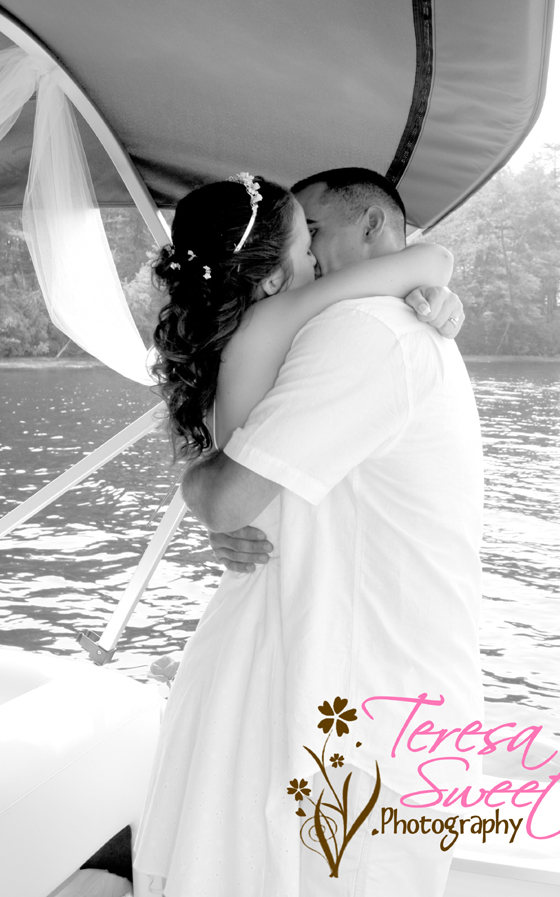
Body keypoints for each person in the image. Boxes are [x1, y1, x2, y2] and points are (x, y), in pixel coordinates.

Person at [133, 169, 473, 897]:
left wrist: (212, 498)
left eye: (318, 233)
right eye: (304, 239)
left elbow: (235, 485)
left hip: (315, 668)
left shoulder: (357, 329)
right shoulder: (335, 326)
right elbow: (234, 494)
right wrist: (430, 273)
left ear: (372, 227)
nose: (313, 256)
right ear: (269, 268)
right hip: (310, 667)